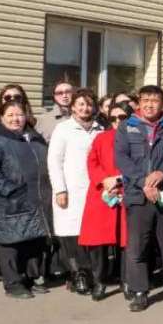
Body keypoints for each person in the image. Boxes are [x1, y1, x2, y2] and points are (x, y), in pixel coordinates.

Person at [114, 84, 163, 312]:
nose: (150, 105)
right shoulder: (127, 127)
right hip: (138, 195)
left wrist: (162, 174)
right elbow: (122, 159)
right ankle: (139, 291)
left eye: (155, 100)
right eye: (145, 100)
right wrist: (143, 182)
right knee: (138, 247)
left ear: (162, 104)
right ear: (139, 103)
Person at [0, 100, 51, 299]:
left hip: (35, 198)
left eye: (19, 114)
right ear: (1, 118)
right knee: (10, 243)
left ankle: (30, 279)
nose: (15, 119)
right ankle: (13, 284)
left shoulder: (34, 138)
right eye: (10, 115)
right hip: (9, 200)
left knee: (32, 240)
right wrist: (9, 189)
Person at [46, 90, 104, 296]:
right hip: (70, 190)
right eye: (80, 104)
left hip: (94, 191)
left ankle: (93, 274)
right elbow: (54, 161)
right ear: (72, 107)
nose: (85, 108)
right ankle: (78, 274)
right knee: (71, 235)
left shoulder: (100, 129)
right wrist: (60, 189)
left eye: (88, 104)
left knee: (92, 235)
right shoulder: (63, 129)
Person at [80, 101, 129, 301]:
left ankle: (126, 281)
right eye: (113, 118)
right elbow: (92, 163)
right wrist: (104, 180)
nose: (117, 121)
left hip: (126, 191)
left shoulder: (137, 138)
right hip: (102, 192)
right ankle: (99, 281)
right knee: (98, 241)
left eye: (122, 117)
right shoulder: (101, 138)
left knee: (126, 241)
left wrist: (120, 180)